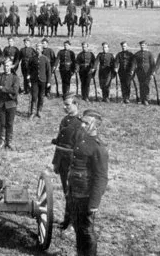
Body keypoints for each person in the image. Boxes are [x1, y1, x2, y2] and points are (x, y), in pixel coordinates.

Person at [66, 110, 109, 256]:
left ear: (96, 126)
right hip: (75, 192)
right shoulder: (82, 139)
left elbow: (101, 177)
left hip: (86, 195)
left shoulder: (98, 148)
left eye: (86, 123)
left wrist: (94, 203)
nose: (82, 125)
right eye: (82, 122)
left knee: (87, 230)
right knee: (78, 228)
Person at [51, 93, 82, 229]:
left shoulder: (80, 123)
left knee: (73, 194)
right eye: (64, 105)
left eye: (67, 105)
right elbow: (59, 144)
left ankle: (73, 222)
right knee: (66, 192)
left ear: (76, 105)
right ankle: (67, 220)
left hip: (73, 164)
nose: (64, 107)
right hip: (63, 162)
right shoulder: (65, 120)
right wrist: (55, 162)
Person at [0, 57, 20, 149]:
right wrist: (4, 90)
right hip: (1, 103)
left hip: (11, 104)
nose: (6, 68)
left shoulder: (15, 78)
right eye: (5, 66)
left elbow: (15, 90)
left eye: (8, 66)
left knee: (10, 123)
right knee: (2, 123)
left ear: (11, 66)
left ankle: (9, 142)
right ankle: (2, 141)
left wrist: (2, 88)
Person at [29, 43, 51, 118]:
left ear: (42, 49)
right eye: (36, 48)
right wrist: (29, 80)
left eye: (39, 48)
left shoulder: (45, 59)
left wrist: (48, 81)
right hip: (34, 81)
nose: (37, 50)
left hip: (43, 81)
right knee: (34, 97)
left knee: (41, 96)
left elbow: (48, 71)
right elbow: (29, 70)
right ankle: (32, 112)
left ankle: (39, 111)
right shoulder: (32, 59)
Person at [133, 41, 155, 105]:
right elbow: (134, 63)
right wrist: (133, 70)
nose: (142, 46)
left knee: (146, 85)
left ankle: (146, 99)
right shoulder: (137, 54)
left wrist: (152, 72)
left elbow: (153, 64)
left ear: (146, 45)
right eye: (141, 45)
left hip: (147, 72)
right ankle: (142, 98)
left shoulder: (149, 54)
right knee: (141, 85)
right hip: (139, 72)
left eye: (143, 45)